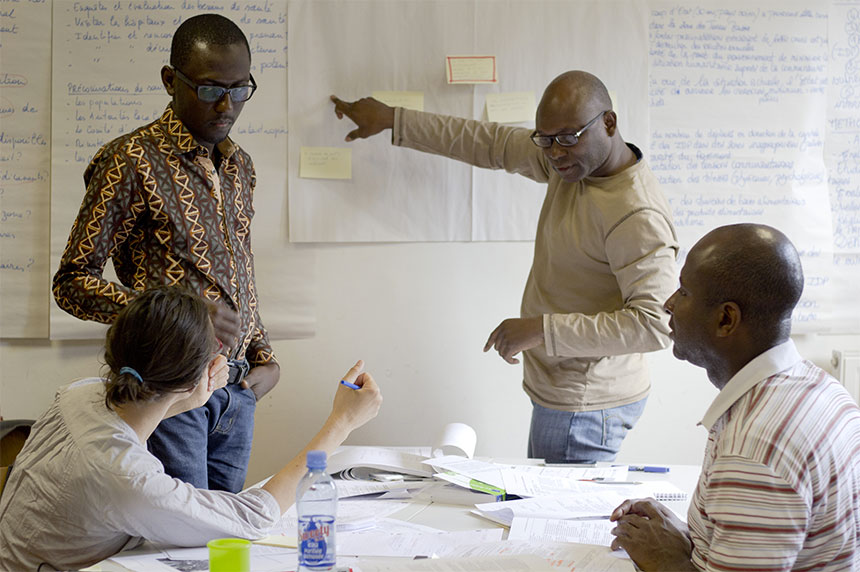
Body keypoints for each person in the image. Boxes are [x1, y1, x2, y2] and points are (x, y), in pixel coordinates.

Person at [331, 71, 678, 462]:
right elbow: (489, 142)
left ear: (608, 123)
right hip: (566, 394)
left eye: (567, 138)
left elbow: (656, 324)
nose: (555, 153)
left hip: (585, 405)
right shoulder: (572, 163)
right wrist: (394, 119)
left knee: (549, 503)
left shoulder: (635, 214)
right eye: (545, 139)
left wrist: (541, 329)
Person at [0, 287, 383, 572]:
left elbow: (151, 405)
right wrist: (342, 422)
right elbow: (254, 517)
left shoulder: (79, 394)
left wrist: (194, 391)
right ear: (202, 372)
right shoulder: (128, 479)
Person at [52, 14, 277, 493]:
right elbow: (71, 283)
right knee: (179, 536)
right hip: (169, 391)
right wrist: (178, 315)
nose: (227, 106)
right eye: (211, 89)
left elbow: (238, 273)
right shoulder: (129, 160)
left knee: (226, 531)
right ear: (171, 81)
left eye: (240, 89)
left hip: (236, 390)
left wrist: (263, 356)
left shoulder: (240, 166)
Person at [609, 224, 860, 571]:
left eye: (684, 292)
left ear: (726, 319)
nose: (669, 304)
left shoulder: (754, 449)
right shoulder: (824, 389)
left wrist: (667, 561)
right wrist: (688, 537)